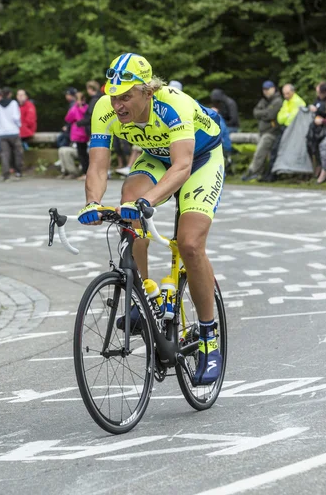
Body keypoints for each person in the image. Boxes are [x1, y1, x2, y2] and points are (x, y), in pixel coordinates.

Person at [78, 53, 225, 385]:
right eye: (113, 96)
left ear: (148, 91)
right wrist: (92, 203)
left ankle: (208, 338)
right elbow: (98, 166)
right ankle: (144, 295)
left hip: (199, 160)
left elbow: (183, 166)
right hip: (158, 157)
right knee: (127, 207)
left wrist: (149, 200)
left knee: (189, 243)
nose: (117, 105)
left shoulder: (174, 105)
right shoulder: (104, 108)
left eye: (126, 96)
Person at [260, 83, 306, 182]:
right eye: (284, 94)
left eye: (287, 93)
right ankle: (270, 173)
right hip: (284, 129)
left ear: (293, 92)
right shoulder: (286, 102)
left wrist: (286, 116)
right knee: (274, 149)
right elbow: (280, 118)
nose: (285, 96)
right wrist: (286, 116)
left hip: (293, 131)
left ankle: (273, 174)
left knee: (277, 149)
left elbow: (292, 119)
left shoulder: (298, 102)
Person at [242, 80, 282, 181]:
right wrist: (264, 114)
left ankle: (252, 171)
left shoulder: (278, 101)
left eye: (268, 89)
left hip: (271, 134)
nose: (266, 91)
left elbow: (271, 115)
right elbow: (255, 112)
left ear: (273, 89)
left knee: (261, 148)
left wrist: (263, 114)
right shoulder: (264, 101)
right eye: (264, 89)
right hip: (261, 133)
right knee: (239, 137)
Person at [0, 87, 23, 181]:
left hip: (2, 133)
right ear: (10, 94)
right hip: (14, 132)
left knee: (5, 154)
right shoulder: (13, 104)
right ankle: (18, 172)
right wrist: (18, 126)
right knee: (17, 152)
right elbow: (16, 117)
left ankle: (6, 174)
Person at [64, 91, 89, 179]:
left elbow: (68, 118)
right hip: (86, 133)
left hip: (78, 133)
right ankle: (86, 172)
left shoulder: (75, 109)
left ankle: (85, 172)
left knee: (81, 154)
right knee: (85, 153)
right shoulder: (87, 108)